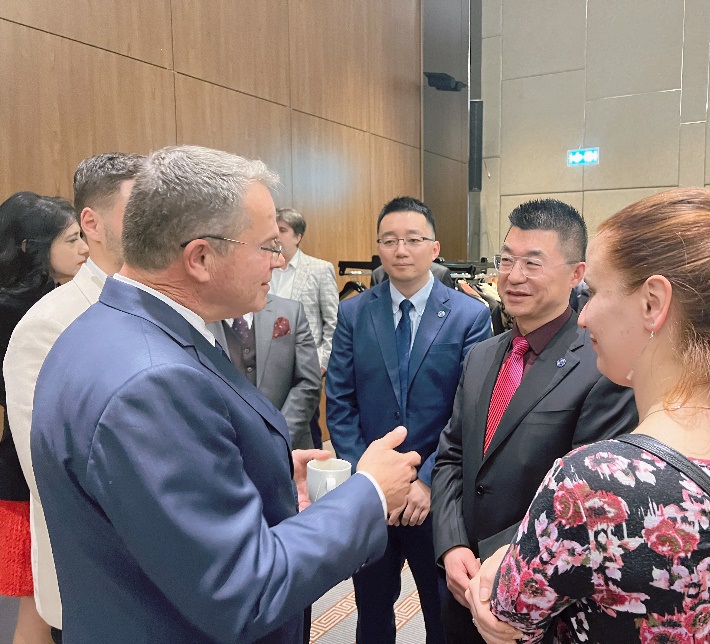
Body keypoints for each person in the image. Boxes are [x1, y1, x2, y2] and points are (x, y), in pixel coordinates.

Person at [29, 145, 420, 643]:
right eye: (267, 246)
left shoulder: (104, 328)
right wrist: (369, 493)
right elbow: (244, 589)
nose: (278, 262)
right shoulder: (152, 385)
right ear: (200, 257)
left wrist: (262, 472)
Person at [467, 187, 710, 644]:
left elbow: (506, 619)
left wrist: (499, 564)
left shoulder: (595, 481)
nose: (583, 316)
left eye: (594, 292)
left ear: (653, 303)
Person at [431, 198, 638, 644]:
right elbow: (452, 455)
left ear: (577, 274)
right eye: (506, 260)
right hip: (461, 581)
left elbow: (586, 499)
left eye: (532, 263)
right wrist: (452, 544)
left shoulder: (602, 366)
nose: (513, 276)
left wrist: (492, 557)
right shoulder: (482, 355)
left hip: (539, 594)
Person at [326, 196, 492, 644]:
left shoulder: (470, 315)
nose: (401, 250)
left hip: (436, 497)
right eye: (390, 240)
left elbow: (471, 409)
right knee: (371, 612)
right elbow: (340, 402)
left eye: (413, 240)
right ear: (378, 248)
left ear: (434, 248)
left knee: (443, 616)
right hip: (373, 498)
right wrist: (371, 480)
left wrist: (428, 481)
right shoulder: (354, 312)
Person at [4, 153, 142, 641]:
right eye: (139, 207)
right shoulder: (46, 325)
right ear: (93, 223)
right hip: (101, 578)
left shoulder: (167, 301)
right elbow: (53, 474)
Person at [0, 192, 87, 644]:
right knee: (36, 614)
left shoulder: (55, 298)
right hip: (28, 471)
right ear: (30, 247)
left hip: (45, 464)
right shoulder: (17, 312)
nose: (85, 248)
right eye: (71, 239)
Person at [208, 294, 322, 450]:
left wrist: (280, 438)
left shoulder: (291, 310)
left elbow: (308, 382)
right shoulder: (200, 319)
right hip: (228, 449)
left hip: (292, 447)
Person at [269, 208, 339, 450]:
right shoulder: (265, 266)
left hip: (305, 365)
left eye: (283, 230)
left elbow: (333, 322)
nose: (276, 235)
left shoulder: (319, 269)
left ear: (297, 236)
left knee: (307, 429)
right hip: (268, 365)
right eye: (274, 229)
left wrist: (321, 362)